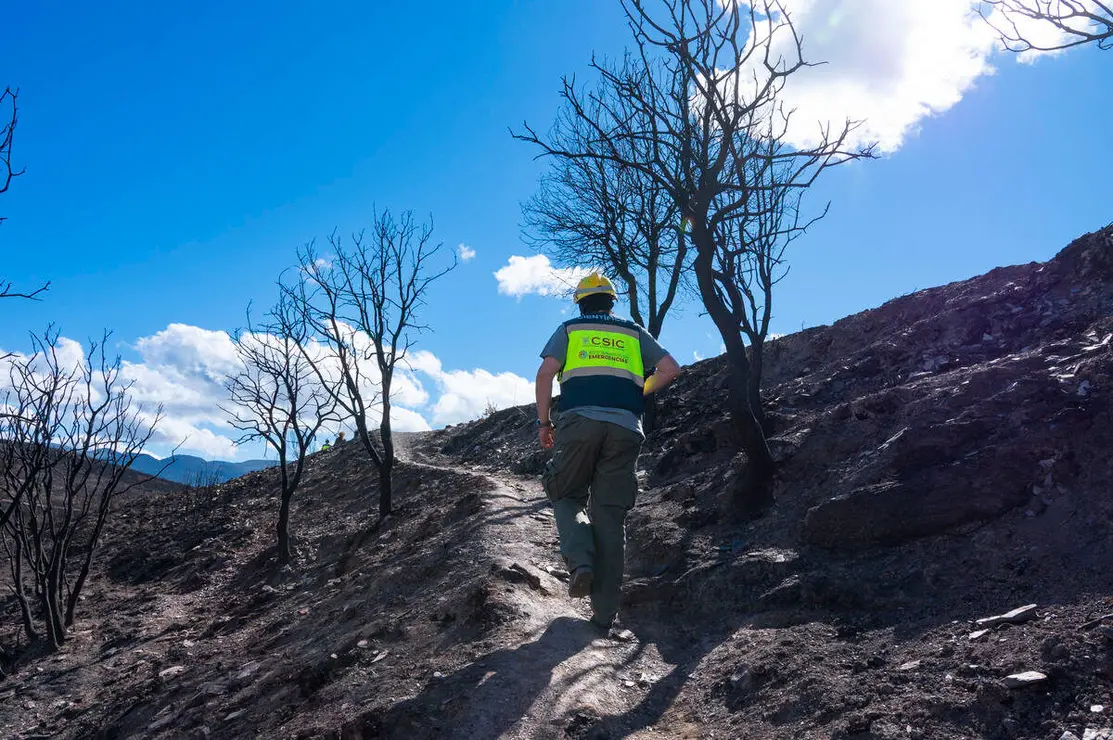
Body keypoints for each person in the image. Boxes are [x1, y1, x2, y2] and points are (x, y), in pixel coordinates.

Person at [535, 272, 681, 630]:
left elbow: (544, 375)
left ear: (581, 302)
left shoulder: (570, 329)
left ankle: (581, 562)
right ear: (611, 302)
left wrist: (544, 423)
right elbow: (670, 369)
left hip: (578, 423)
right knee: (611, 519)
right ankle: (603, 616)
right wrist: (636, 392)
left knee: (565, 493)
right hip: (626, 428)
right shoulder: (633, 332)